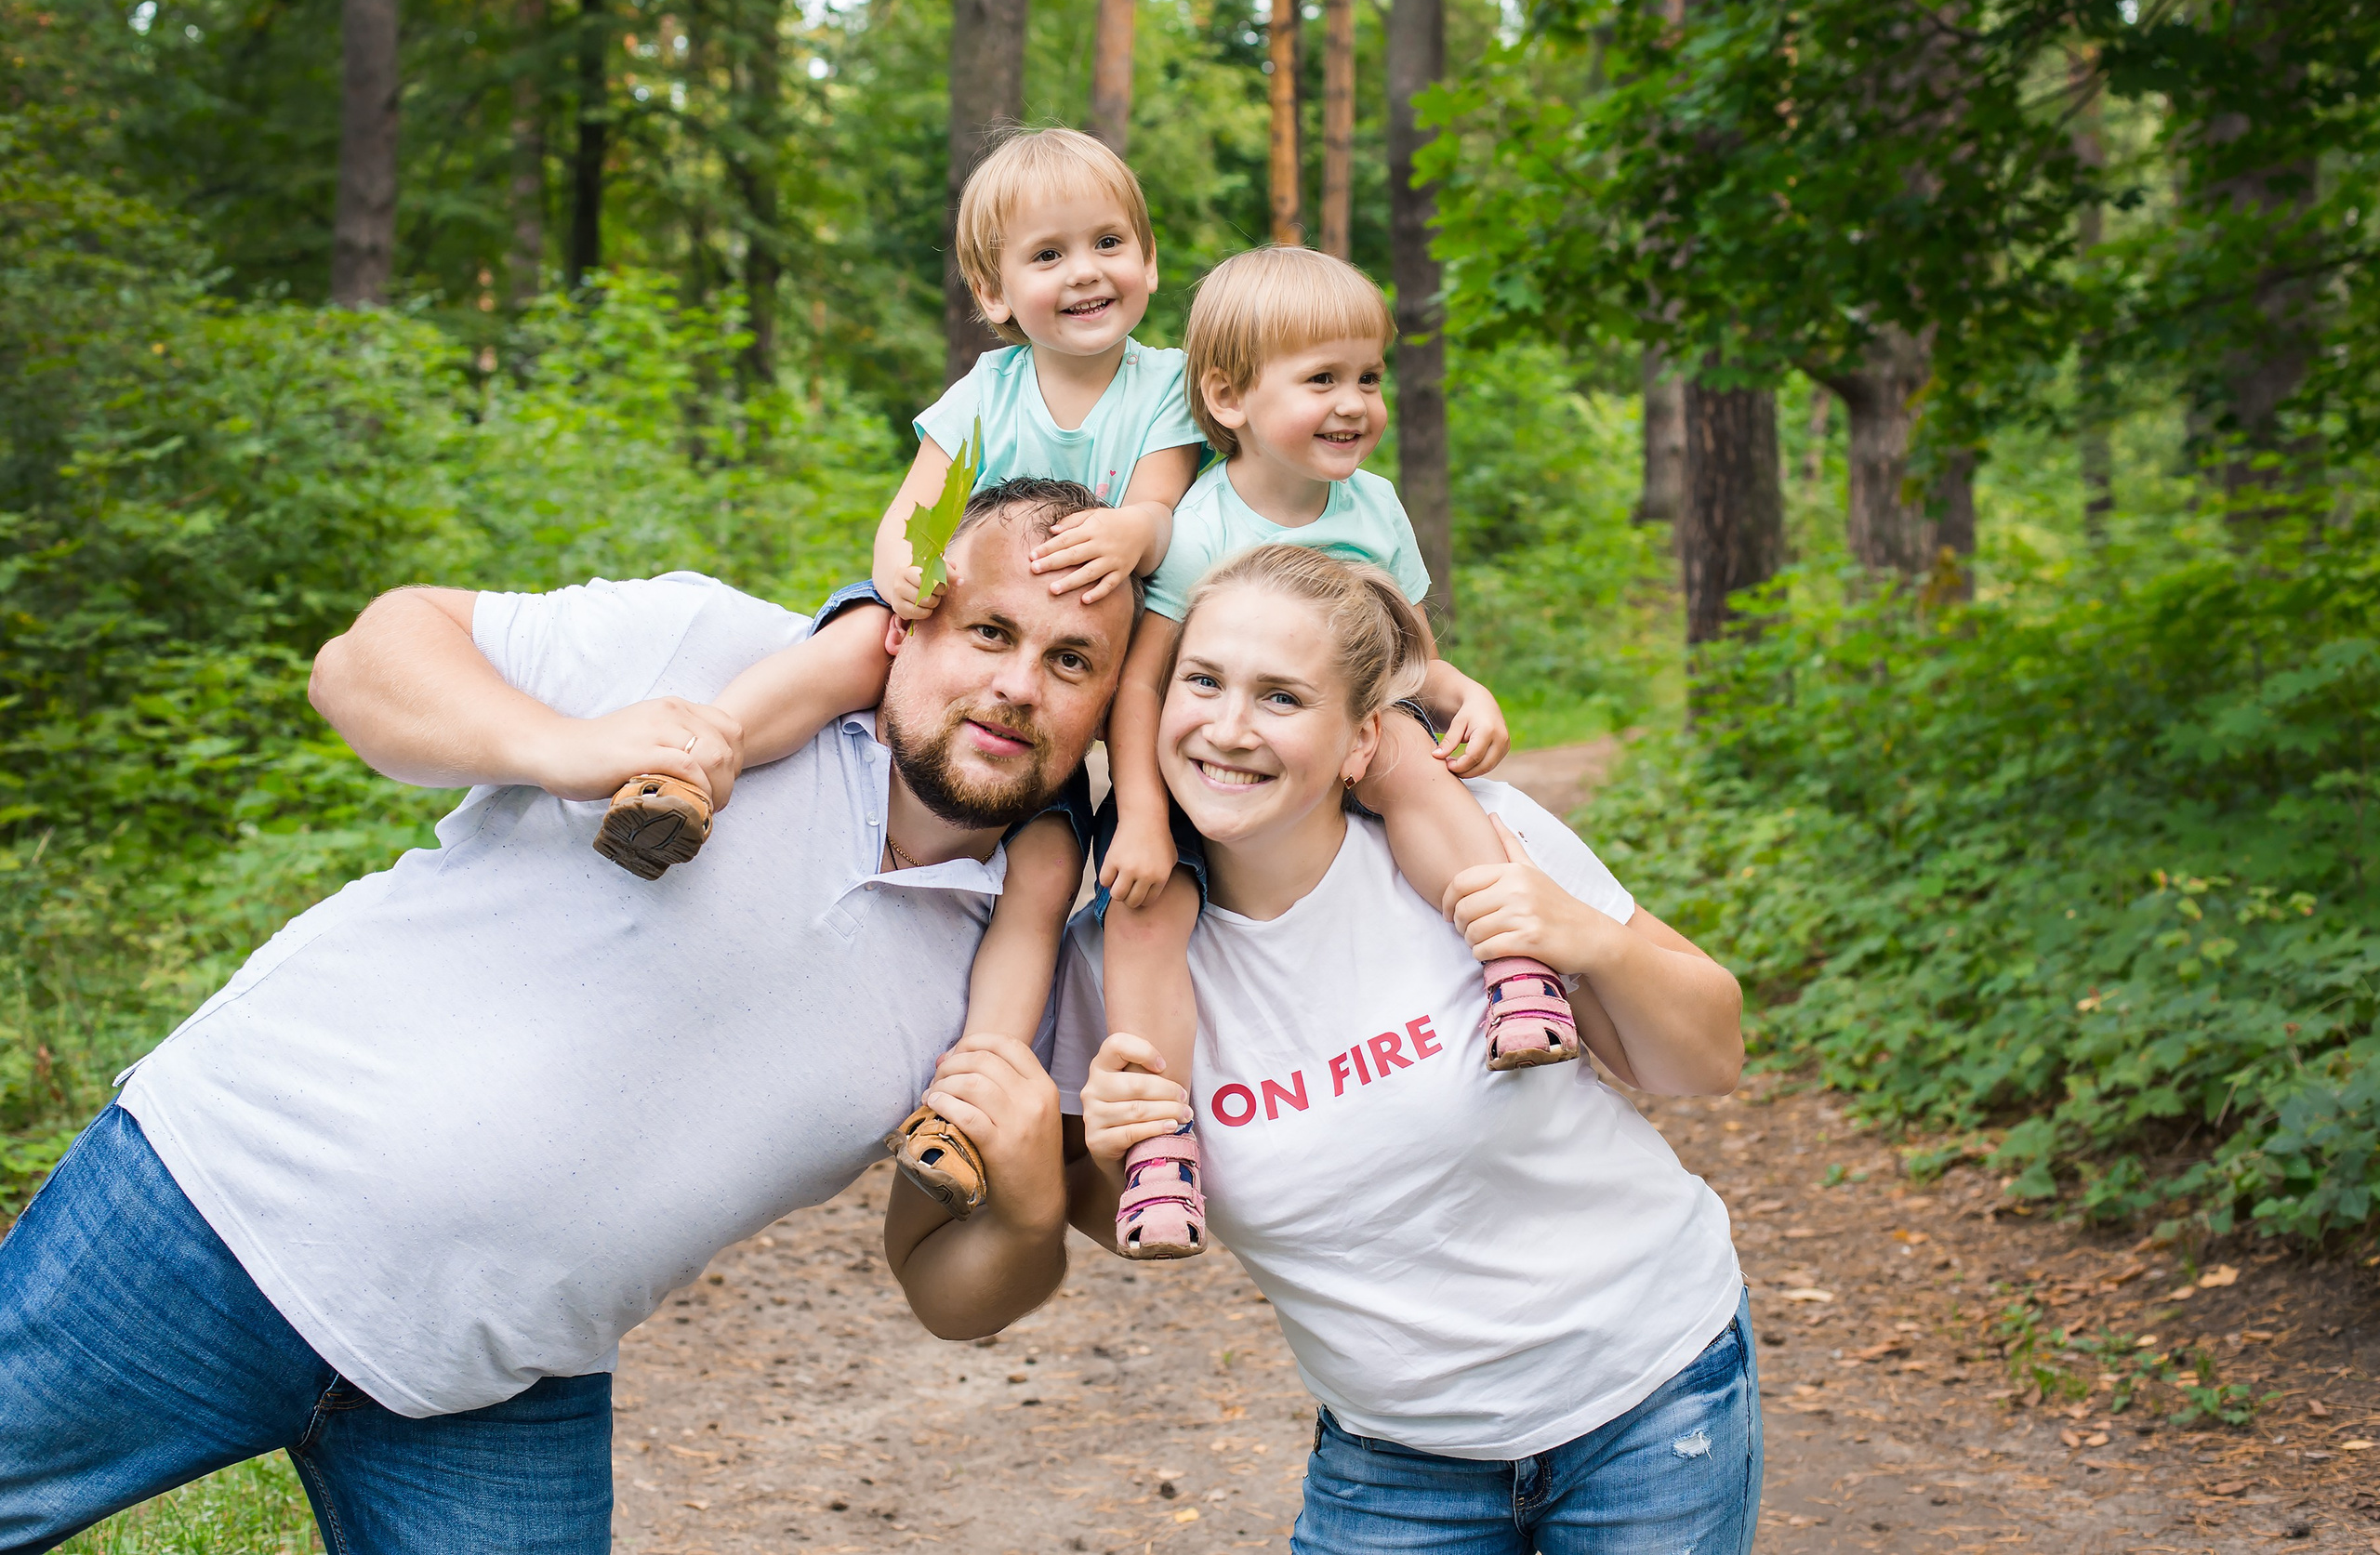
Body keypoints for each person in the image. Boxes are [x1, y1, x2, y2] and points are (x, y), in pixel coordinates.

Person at [0, 479, 1117, 1553]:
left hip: (505, 1379)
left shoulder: (1019, 967)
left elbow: (943, 1291)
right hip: (215, 1207)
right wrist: (561, 746)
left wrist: (1026, 1218)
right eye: (988, 632)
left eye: (1071, 661)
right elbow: (360, 662)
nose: (1019, 685)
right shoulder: (711, 653)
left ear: (1114, 707)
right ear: (907, 620)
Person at [1055, 544, 1759, 1555]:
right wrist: (1111, 1158)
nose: (1229, 727)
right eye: (1202, 682)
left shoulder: (1478, 840)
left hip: (1651, 1400)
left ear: (1361, 741)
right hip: (1392, 1465)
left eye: (1282, 697)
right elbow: (1113, 1217)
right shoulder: (1112, 959)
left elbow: (1710, 1059)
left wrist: (1590, 941)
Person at [590, 125, 1205, 1220]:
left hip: (1071, 678)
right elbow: (914, 514)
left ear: (1150, 263)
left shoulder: (1163, 386)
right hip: (956, 637)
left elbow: (1160, 507)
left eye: (1109, 243)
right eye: (1049, 255)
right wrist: (904, 575)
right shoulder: (987, 392)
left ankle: (970, 1096)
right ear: (995, 292)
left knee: (1046, 870)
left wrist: (1132, 533)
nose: (1086, 273)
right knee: (844, 647)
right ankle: (695, 763)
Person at [1090, 246, 1569, 1261]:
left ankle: (1512, 961)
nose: (1354, 404)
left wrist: (1462, 693)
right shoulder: (1197, 526)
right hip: (1202, 765)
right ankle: (1159, 1138)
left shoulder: (1374, 508)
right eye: (1321, 380)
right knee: (1141, 912)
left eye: (1368, 377)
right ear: (1229, 396)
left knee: (1408, 757)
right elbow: (1143, 683)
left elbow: (1411, 657)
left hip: (1347, 737)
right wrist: (1140, 815)